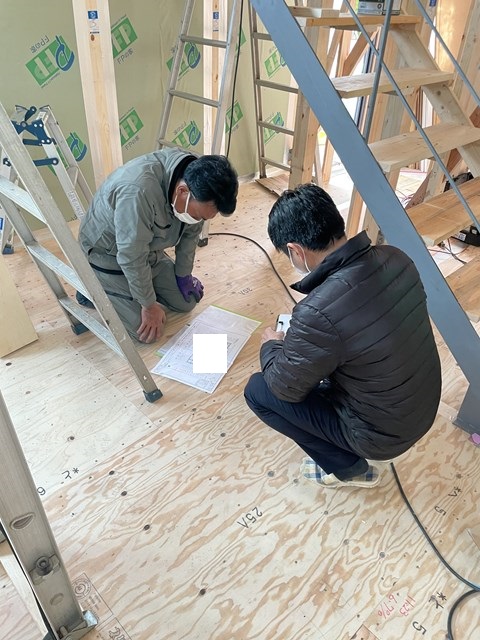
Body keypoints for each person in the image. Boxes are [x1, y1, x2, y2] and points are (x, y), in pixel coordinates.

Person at [244, 184, 441, 488]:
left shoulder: (316, 312)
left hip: (381, 436)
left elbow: (284, 388)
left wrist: (271, 346)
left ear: (296, 251)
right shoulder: (396, 258)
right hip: (421, 408)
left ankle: (348, 468)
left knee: (258, 390)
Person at [77, 148, 238, 343]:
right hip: (107, 255)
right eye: (197, 216)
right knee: (144, 332)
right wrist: (148, 304)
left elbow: (190, 235)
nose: (198, 220)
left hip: (148, 249)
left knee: (186, 302)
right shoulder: (137, 192)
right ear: (182, 192)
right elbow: (131, 256)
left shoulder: (197, 178)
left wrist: (183, 275)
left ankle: (138, 285)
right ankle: (90, 288)